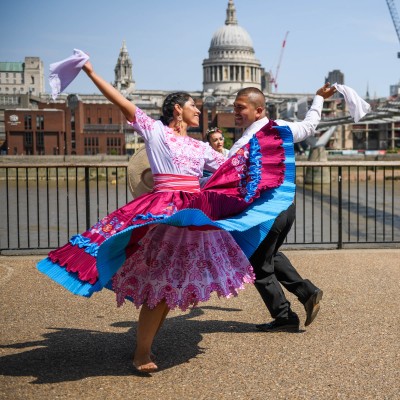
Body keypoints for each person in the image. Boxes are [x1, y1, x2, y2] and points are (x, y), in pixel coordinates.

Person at [37, 55, 295, 373]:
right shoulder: (156, 133)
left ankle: (144, 347)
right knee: (160, 286)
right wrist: (90, 72)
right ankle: (141, 353)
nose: (198, 110)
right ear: (178, 110)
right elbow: (121, 102)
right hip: (163, 214)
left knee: (170, 287)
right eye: (192, 106)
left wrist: (270, 151)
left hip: (191, 216)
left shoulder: (202, 148)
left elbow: (232, 170)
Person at [230, 84, 336, 332]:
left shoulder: (244, 142)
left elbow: (222, 173)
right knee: (271, 254)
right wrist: (318, 98)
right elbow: (310, 126)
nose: (235, 112)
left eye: (240, 108)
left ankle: (285, 316)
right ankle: (307, 293)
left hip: (266, 213)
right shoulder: (282, 127)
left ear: (258, 111)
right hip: (286, 207)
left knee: (258, 264)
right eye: (234, 107)